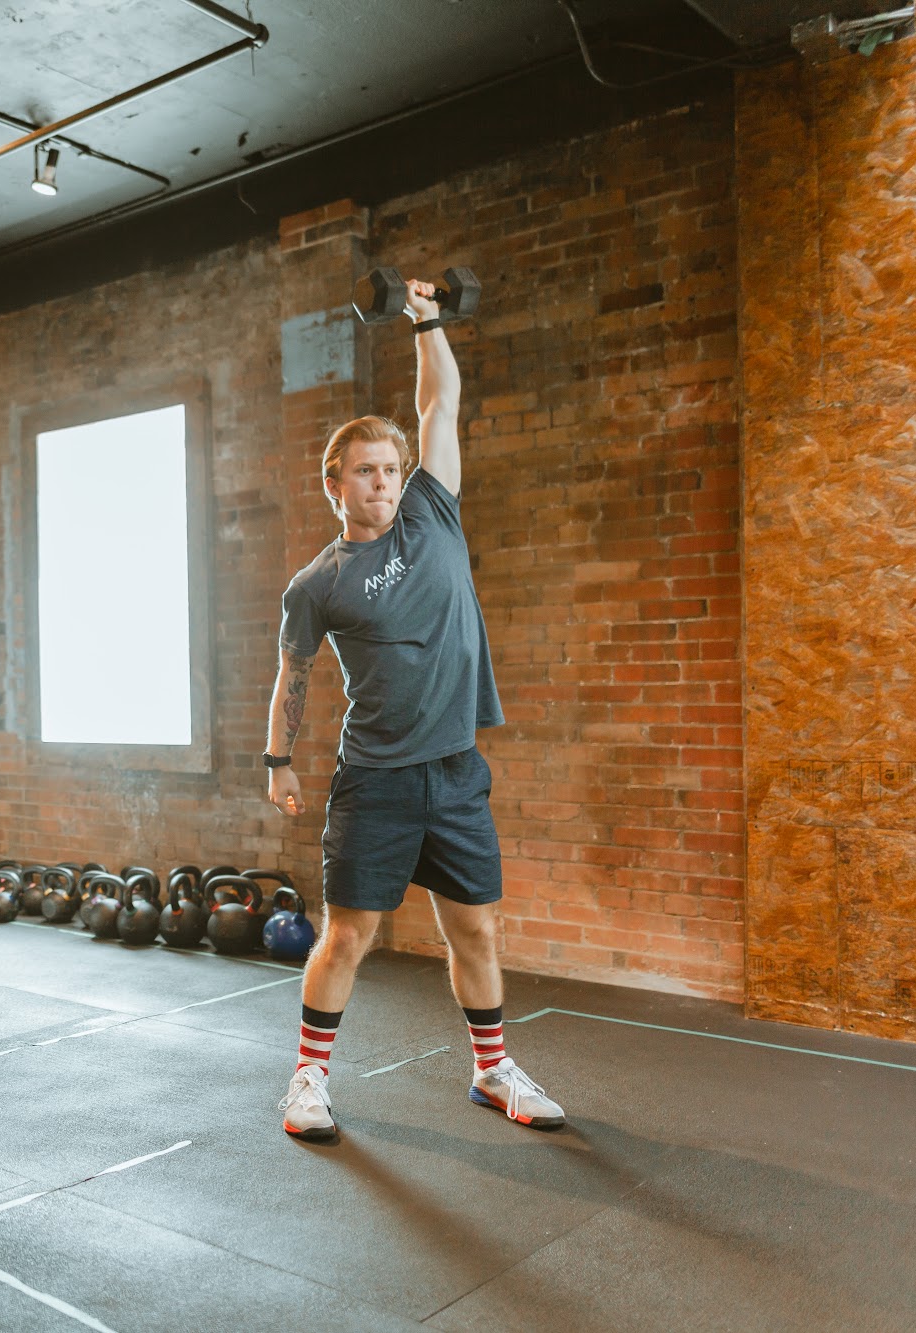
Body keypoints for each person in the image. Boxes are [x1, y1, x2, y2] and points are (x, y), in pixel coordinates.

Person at [265, 277, 565, 1142]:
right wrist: (278, 763)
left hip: (455, 770)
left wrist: (425, 320)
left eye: (391, 468)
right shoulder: (316, 584)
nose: (385, 482)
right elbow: (292, 675)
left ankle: (492, 1069)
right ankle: (308, 1081)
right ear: (334, 483)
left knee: (476, 929)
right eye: (367, 471)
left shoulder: (433, 510)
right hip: (378, 778)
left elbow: (440, 402)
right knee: (349, 934)